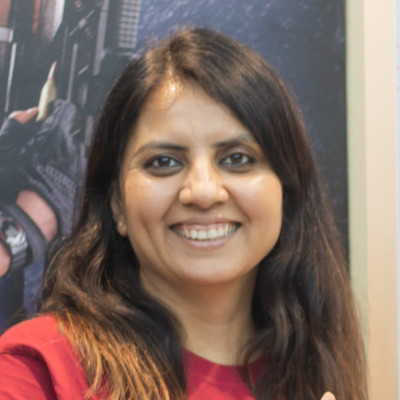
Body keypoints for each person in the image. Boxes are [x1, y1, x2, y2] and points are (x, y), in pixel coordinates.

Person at [0, 27, 367, 399]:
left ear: (286, 192)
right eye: (164, 162)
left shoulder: (316, 372)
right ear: (116, 203)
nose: (203, 192)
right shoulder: (37, 371)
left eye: (237, 159)